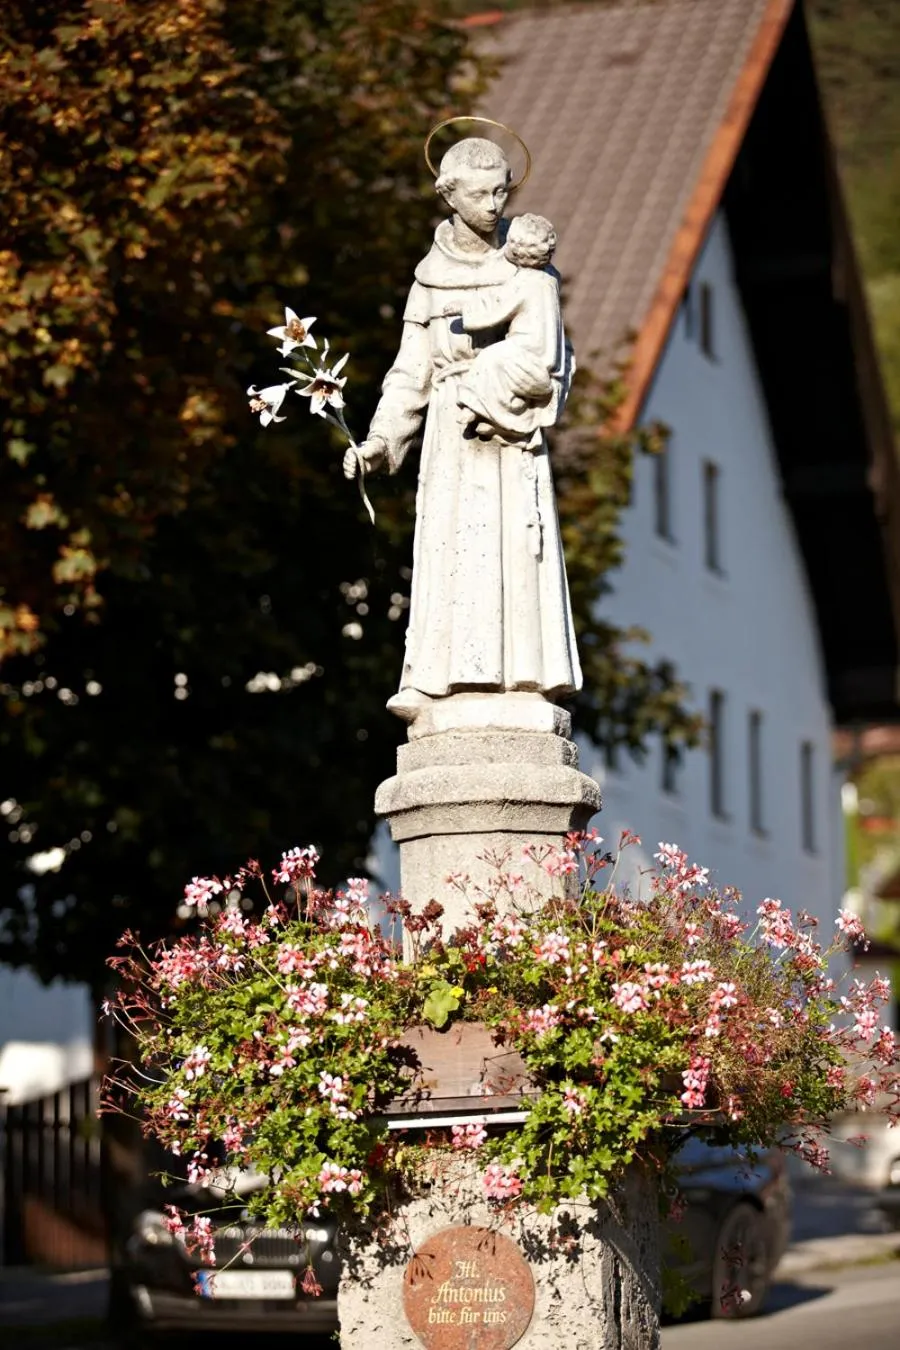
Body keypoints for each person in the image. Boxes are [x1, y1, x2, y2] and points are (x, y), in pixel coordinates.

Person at [343, 137, 581, 721]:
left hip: (510, 437)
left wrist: (517, 378)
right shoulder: (429, 279)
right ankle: (433, 683)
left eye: (502, 190)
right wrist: (379, 441)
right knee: (450, 552)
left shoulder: (527, 268)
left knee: (514, 549)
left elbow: (555, 354)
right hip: (452, 436)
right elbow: (409, 371)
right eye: (480, 193)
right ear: (448, 195)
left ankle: (524, 682)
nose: (494, 204)